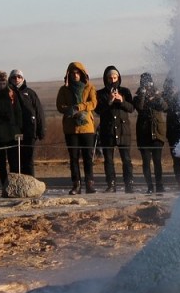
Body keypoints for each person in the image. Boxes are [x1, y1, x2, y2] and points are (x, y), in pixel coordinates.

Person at [56, 62, 98, 194]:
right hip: (71, 128)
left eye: (78, 73)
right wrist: (70, 110)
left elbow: (93, 103)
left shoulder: (89, 87)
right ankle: (76, 185)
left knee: (88, 157)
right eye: (73, 73)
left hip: (87, 127)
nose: (75, 75)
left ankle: (90, 184)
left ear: (82, 74)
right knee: (73, 158)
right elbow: (59, 106)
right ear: (69, 75)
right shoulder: (64, 90)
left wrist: (79, 107)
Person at [96, 66, 136, 193]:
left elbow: (131, 108)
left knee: (126, 159)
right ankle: (111, 184)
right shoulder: (100, 94)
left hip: (123, 131)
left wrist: (122, 100)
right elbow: (98, 111)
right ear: (106, 79)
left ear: (118, 78)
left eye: (115, 77)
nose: (113, 80)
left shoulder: (125, 91)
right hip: (107, 131)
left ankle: (129, 184)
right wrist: (109, 101)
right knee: (108, 160)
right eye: (110, 78)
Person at [134, 73, 168, 194]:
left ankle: (159, 185)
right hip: (143, 133)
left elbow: (164, 107)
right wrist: (143, 93)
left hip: (157, 133)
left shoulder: (157, 95)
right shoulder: (137, 97)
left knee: (157, 161)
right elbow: (140, 107)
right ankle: (150, 186)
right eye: (144, 82)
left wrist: (157, 96)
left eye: (148, 82)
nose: (147, 85)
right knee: (146, 162)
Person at [9, 69, 45, 177]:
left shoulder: (30, 93)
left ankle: (30, 183)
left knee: (28, 160)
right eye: (14, 77)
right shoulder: (7, 93)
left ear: (23, 78)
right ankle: (16, 184)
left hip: (29, 131)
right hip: (13, 132)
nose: (16, 79)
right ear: (10, 79)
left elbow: (39, 112)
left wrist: (41, 130)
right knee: (14, 161)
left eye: (19, 77)